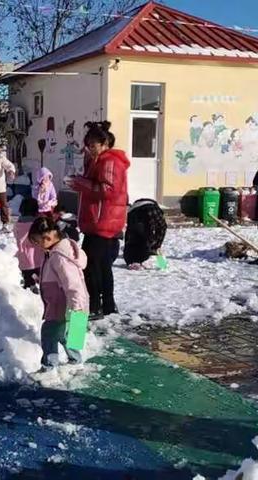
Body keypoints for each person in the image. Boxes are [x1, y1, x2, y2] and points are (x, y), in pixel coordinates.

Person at [66, 121, 129, 319]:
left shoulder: (109, 161)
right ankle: (106, 306)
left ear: (104, 144)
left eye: (93, 145)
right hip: (98, 222)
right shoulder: (98, 161)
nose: (89, 149)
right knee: (98, 267)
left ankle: (97, 307)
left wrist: (80, 183)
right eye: (88, 145)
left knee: (93, 267)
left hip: (103, 222)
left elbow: (108, 190)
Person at [28, 217, 88, 371]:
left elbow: (73, 283)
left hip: (62, 305)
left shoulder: (59, 257)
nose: (37, 245)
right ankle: (75, 359)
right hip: (60, 303)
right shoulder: (55, 252)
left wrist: (77, 306)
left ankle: (49, 366)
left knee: (48, 333)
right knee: (63, 334)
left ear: (47, 238)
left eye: (37, 241)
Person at [124, 199, 167, 269]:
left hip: (135, 210)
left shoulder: (133, 213)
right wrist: (158, 244)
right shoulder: (154, 210)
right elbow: (162, 227)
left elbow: (129, 234)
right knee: (144, 237)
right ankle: (161, 263)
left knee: (137, 237)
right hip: (150, 208)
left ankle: (134, 261)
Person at [13, 197, 43, 292]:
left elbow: (16, 236)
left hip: (24, 257)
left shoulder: (18, 224)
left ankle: (29, 287)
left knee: (27, 279)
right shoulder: (38, 224)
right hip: (38, 257)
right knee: (41, 277)